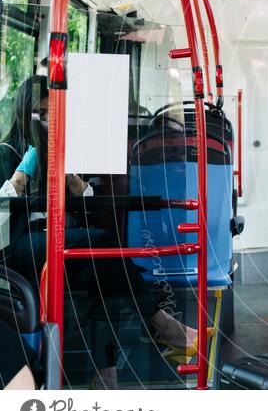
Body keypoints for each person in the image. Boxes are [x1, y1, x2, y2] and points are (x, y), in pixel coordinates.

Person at [0, 76, 206, 389]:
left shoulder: (59, 151)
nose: (49, 122)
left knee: (105, 276)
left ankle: (106, 375)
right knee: (104, 245)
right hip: (19, 246)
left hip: (58, 242)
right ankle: (164, 325)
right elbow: (3, 212)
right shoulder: (7, 152)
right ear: (25, 114)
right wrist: (19, 180)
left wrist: (75, 183)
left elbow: (93, 209)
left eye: (54, 114)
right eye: (42, 114)